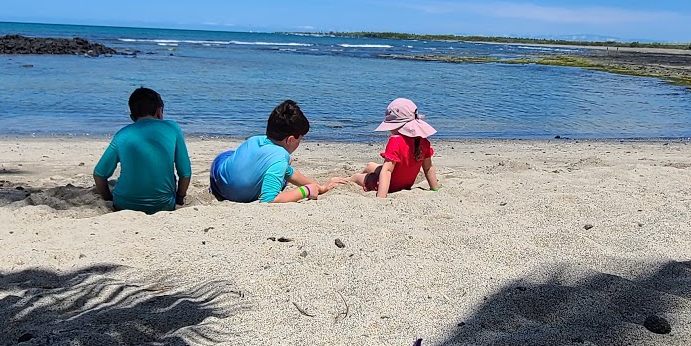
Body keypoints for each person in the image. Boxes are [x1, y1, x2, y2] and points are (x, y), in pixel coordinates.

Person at [209, 99, 343, 204]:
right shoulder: (280, 157)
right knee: (282, 166)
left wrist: (319, 187)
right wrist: (305, 191)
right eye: (300, 139)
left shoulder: (255, 139)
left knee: (269, 161)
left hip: (218, 181)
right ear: (290, 139)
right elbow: (269, 199)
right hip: (233, 193)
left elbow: (288, 172)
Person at [93, 87, 192, 213]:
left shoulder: (122, 134)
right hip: (163, 205)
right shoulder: (172, 128)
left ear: (132, 116)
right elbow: (185, 173)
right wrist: (179, 197)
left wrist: (109, 198)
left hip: (124, 205)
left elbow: (99, 174)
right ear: (159, 111)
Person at [357, 97, 439, 197]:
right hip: (406, 185)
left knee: (356, 177)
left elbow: (387, 171)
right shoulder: (423, 142)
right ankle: (366, 173)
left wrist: (381, 197)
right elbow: (428, 168)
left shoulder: (395, 141)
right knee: (370, 165)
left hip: (389, 186)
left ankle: (342, 180)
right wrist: (435, 189)